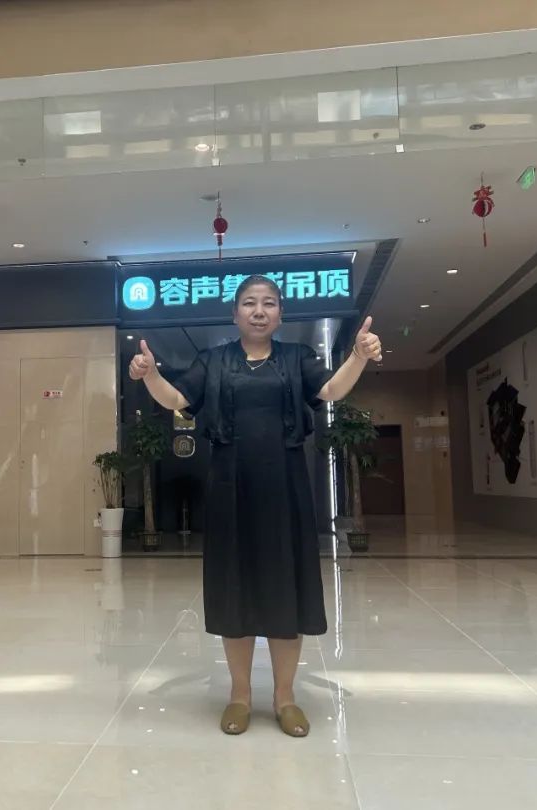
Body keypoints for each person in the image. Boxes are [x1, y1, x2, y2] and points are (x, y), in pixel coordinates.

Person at [129, 274, 382, 737]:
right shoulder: (213, 361)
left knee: (286, 587)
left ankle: (285, 697)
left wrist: (358, 357)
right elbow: (178, 399)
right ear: (235, 313)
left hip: (286, 486)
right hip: (229, 487)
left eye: (268, 303)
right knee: (235, 590)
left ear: (281, 313)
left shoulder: (297, 358)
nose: (259, 311)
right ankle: (240, 695)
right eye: (249, 303)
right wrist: (150, 375)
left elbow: (330, 390)